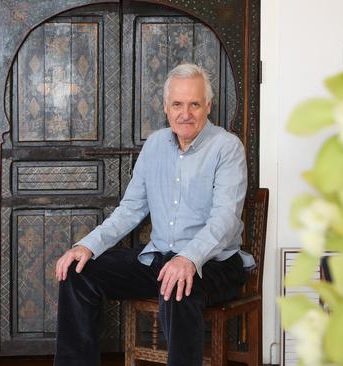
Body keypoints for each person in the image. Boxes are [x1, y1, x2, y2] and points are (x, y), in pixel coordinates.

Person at [54, 63, 253, 366]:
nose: (185, 113)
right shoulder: (155, 144)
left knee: (179, 284)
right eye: (177, 104)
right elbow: (130, 209)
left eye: (194, 104)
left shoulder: (227, 147)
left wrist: (188, 258)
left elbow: (224, 220)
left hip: (216, 263)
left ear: (208, 106)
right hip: (160, 259)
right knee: (78, 273)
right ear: (165, 107)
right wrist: (87, 245)